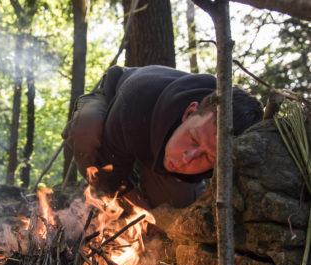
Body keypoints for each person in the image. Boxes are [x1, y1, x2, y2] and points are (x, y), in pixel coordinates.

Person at [62, 65, 263, 208]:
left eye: (208, 157)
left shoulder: (229, 152)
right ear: (189, 112)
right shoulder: (134, 104)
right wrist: (141, 212)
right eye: (193, 139)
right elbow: (107, 169)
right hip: (113, 100)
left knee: (179, 206)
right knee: (85, 133)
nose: (187, 158)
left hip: (156, 140)